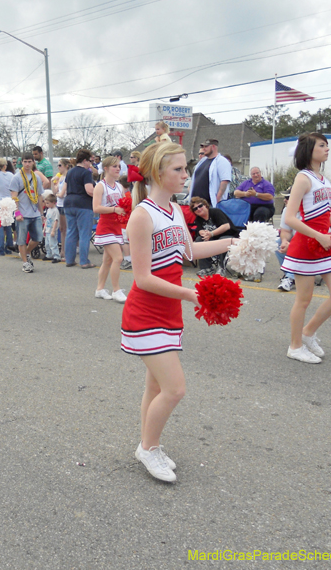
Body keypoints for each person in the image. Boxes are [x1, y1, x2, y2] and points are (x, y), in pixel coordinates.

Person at [121, 140, 237, 483]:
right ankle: (148, 447)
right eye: (179, 169)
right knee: (175, 389)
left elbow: (190, 251)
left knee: (156, 389)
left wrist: (233, 242)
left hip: (170, 313)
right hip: (145, 315)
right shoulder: (142, 216)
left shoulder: (174, 210)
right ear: (158, 172)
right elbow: (142, 278)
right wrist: (192, 294)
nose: (187, 174)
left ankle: (148, 444)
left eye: (186, 168)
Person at [279, 133, 331, 363]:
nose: (327, 149)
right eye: (322, 145)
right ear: (309, 150)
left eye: (327, 145)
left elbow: (325, 216)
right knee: (303, 300)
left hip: (325, 245)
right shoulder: (303, 178)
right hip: (306, 246)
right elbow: (290, 217)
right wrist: (318, 235)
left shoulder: (324, 179)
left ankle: (308, 333)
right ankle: (295, 346)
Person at [93, 156, 127, 302]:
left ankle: (99, 289)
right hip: (106, 226)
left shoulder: (119, 186)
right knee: (118, 258)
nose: (118, 169)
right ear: (106, 169)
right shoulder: (100, 186)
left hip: (117, 226)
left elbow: (124, 204)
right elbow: (96, 208)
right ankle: (116, 290)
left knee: (107, 261)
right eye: (114, 166)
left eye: (119, 166)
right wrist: (114, 209)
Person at [9, 153, 45, 273]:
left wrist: (41, 213)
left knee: (38, 238)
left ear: (33, 162)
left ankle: (27, 252)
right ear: (22, 162)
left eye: (30, 161)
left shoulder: (36, 177)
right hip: (23, 214)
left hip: (35, 213)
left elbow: (39, 196)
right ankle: (25, 263)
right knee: (21, 239)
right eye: (25, 161)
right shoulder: (17, 177)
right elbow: (14, 196)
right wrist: (17, 212)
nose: (27, 164)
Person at [64, 149, 96, 269]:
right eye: (90, 161)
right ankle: (84, 261)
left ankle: (69, 259)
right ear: (84, 160)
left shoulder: (70, 172)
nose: (90, 164)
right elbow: (89, 190)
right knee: (84, 233)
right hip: (83, 204)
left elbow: (65, 188)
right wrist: (98, 196)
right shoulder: (86, 173)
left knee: (71, 232)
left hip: (69, 202)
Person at [190, 197, 238, 278]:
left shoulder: (215, 212)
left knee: (222, 241)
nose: (198, 209)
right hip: (214, 237)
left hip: (229, 235)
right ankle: (206, 267)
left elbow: (226, 226)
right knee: (199, 240)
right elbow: (200, 230)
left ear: (205, 205)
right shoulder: (198, 219)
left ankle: (221, 267)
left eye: (200, 206)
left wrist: (211, 234)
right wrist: (202, 233)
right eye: (195, 209)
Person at [188, 139, 231, 207]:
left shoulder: (222, 161)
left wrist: (217, 199)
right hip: (195, 204)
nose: (203, 149)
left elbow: (225, 181)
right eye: (203, 147)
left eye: (206, 147)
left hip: (209, 204)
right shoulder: (202, 162)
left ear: (213, 147)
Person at [43, 193, 61, 263]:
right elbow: (47, 219)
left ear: (53, 202)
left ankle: (56, 256)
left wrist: (53, 231)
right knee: (47, 243)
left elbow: (56, 221)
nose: (46, 205)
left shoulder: (55, 211)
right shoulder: (49, 210)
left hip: (52, 230)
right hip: (47, 230)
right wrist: (44, 227)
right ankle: (49, 254)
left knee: (53, 243)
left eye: (48, 203)